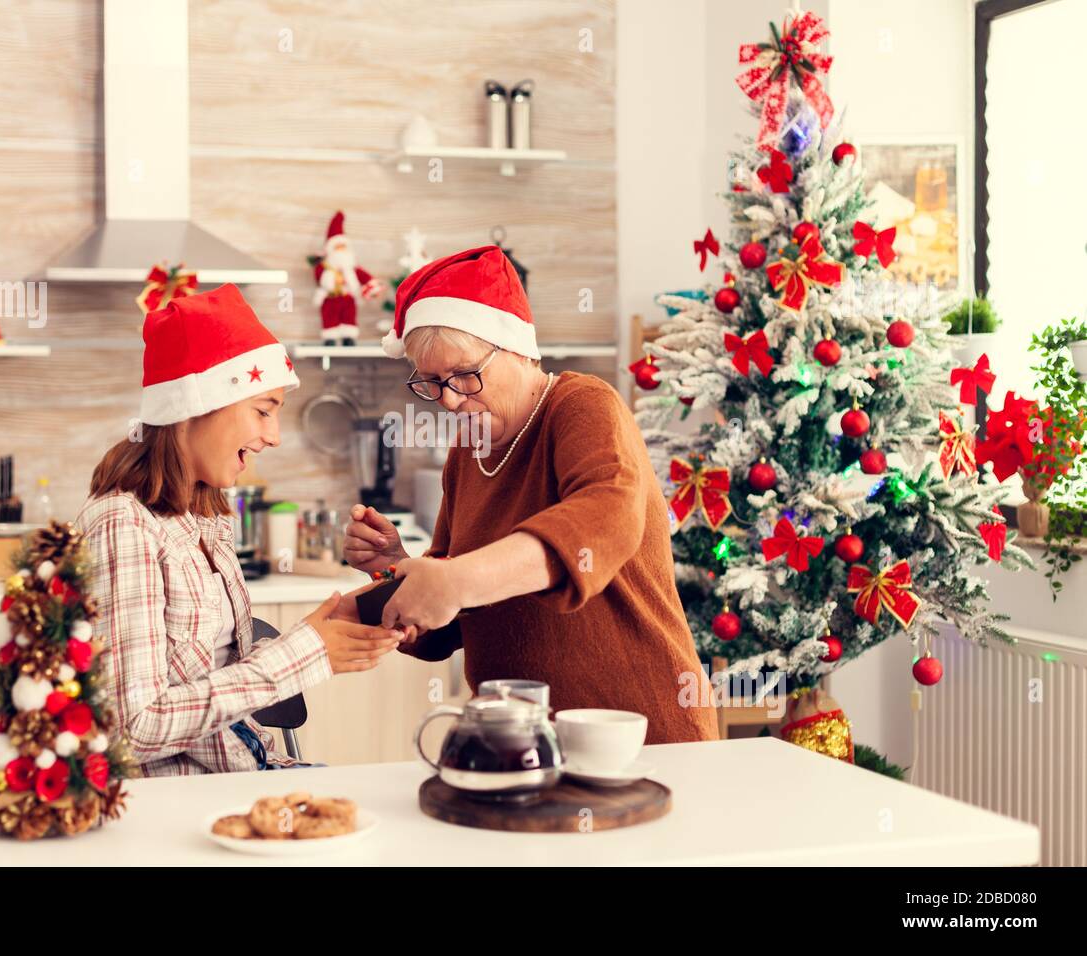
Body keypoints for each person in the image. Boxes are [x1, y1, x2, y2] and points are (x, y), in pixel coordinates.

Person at [346, 246, 718, 744]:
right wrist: (396, 568)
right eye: (433, 383)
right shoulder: (469, 450)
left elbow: (603, 520)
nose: (452, 399)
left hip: (637, 733)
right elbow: (453, 613)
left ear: (518, 349)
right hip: (523, 743)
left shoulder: (583, 405)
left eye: (464, 374)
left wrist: (455, 580)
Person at [76, 285, 404, 775]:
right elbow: (133, 729)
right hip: (183, 804)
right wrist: (302, 655)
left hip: (245, 771)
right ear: (197, 404)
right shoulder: (123, 524)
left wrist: (325, 629)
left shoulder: (203, 517)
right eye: (263, 409)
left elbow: (220, 674)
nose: (273, 436)